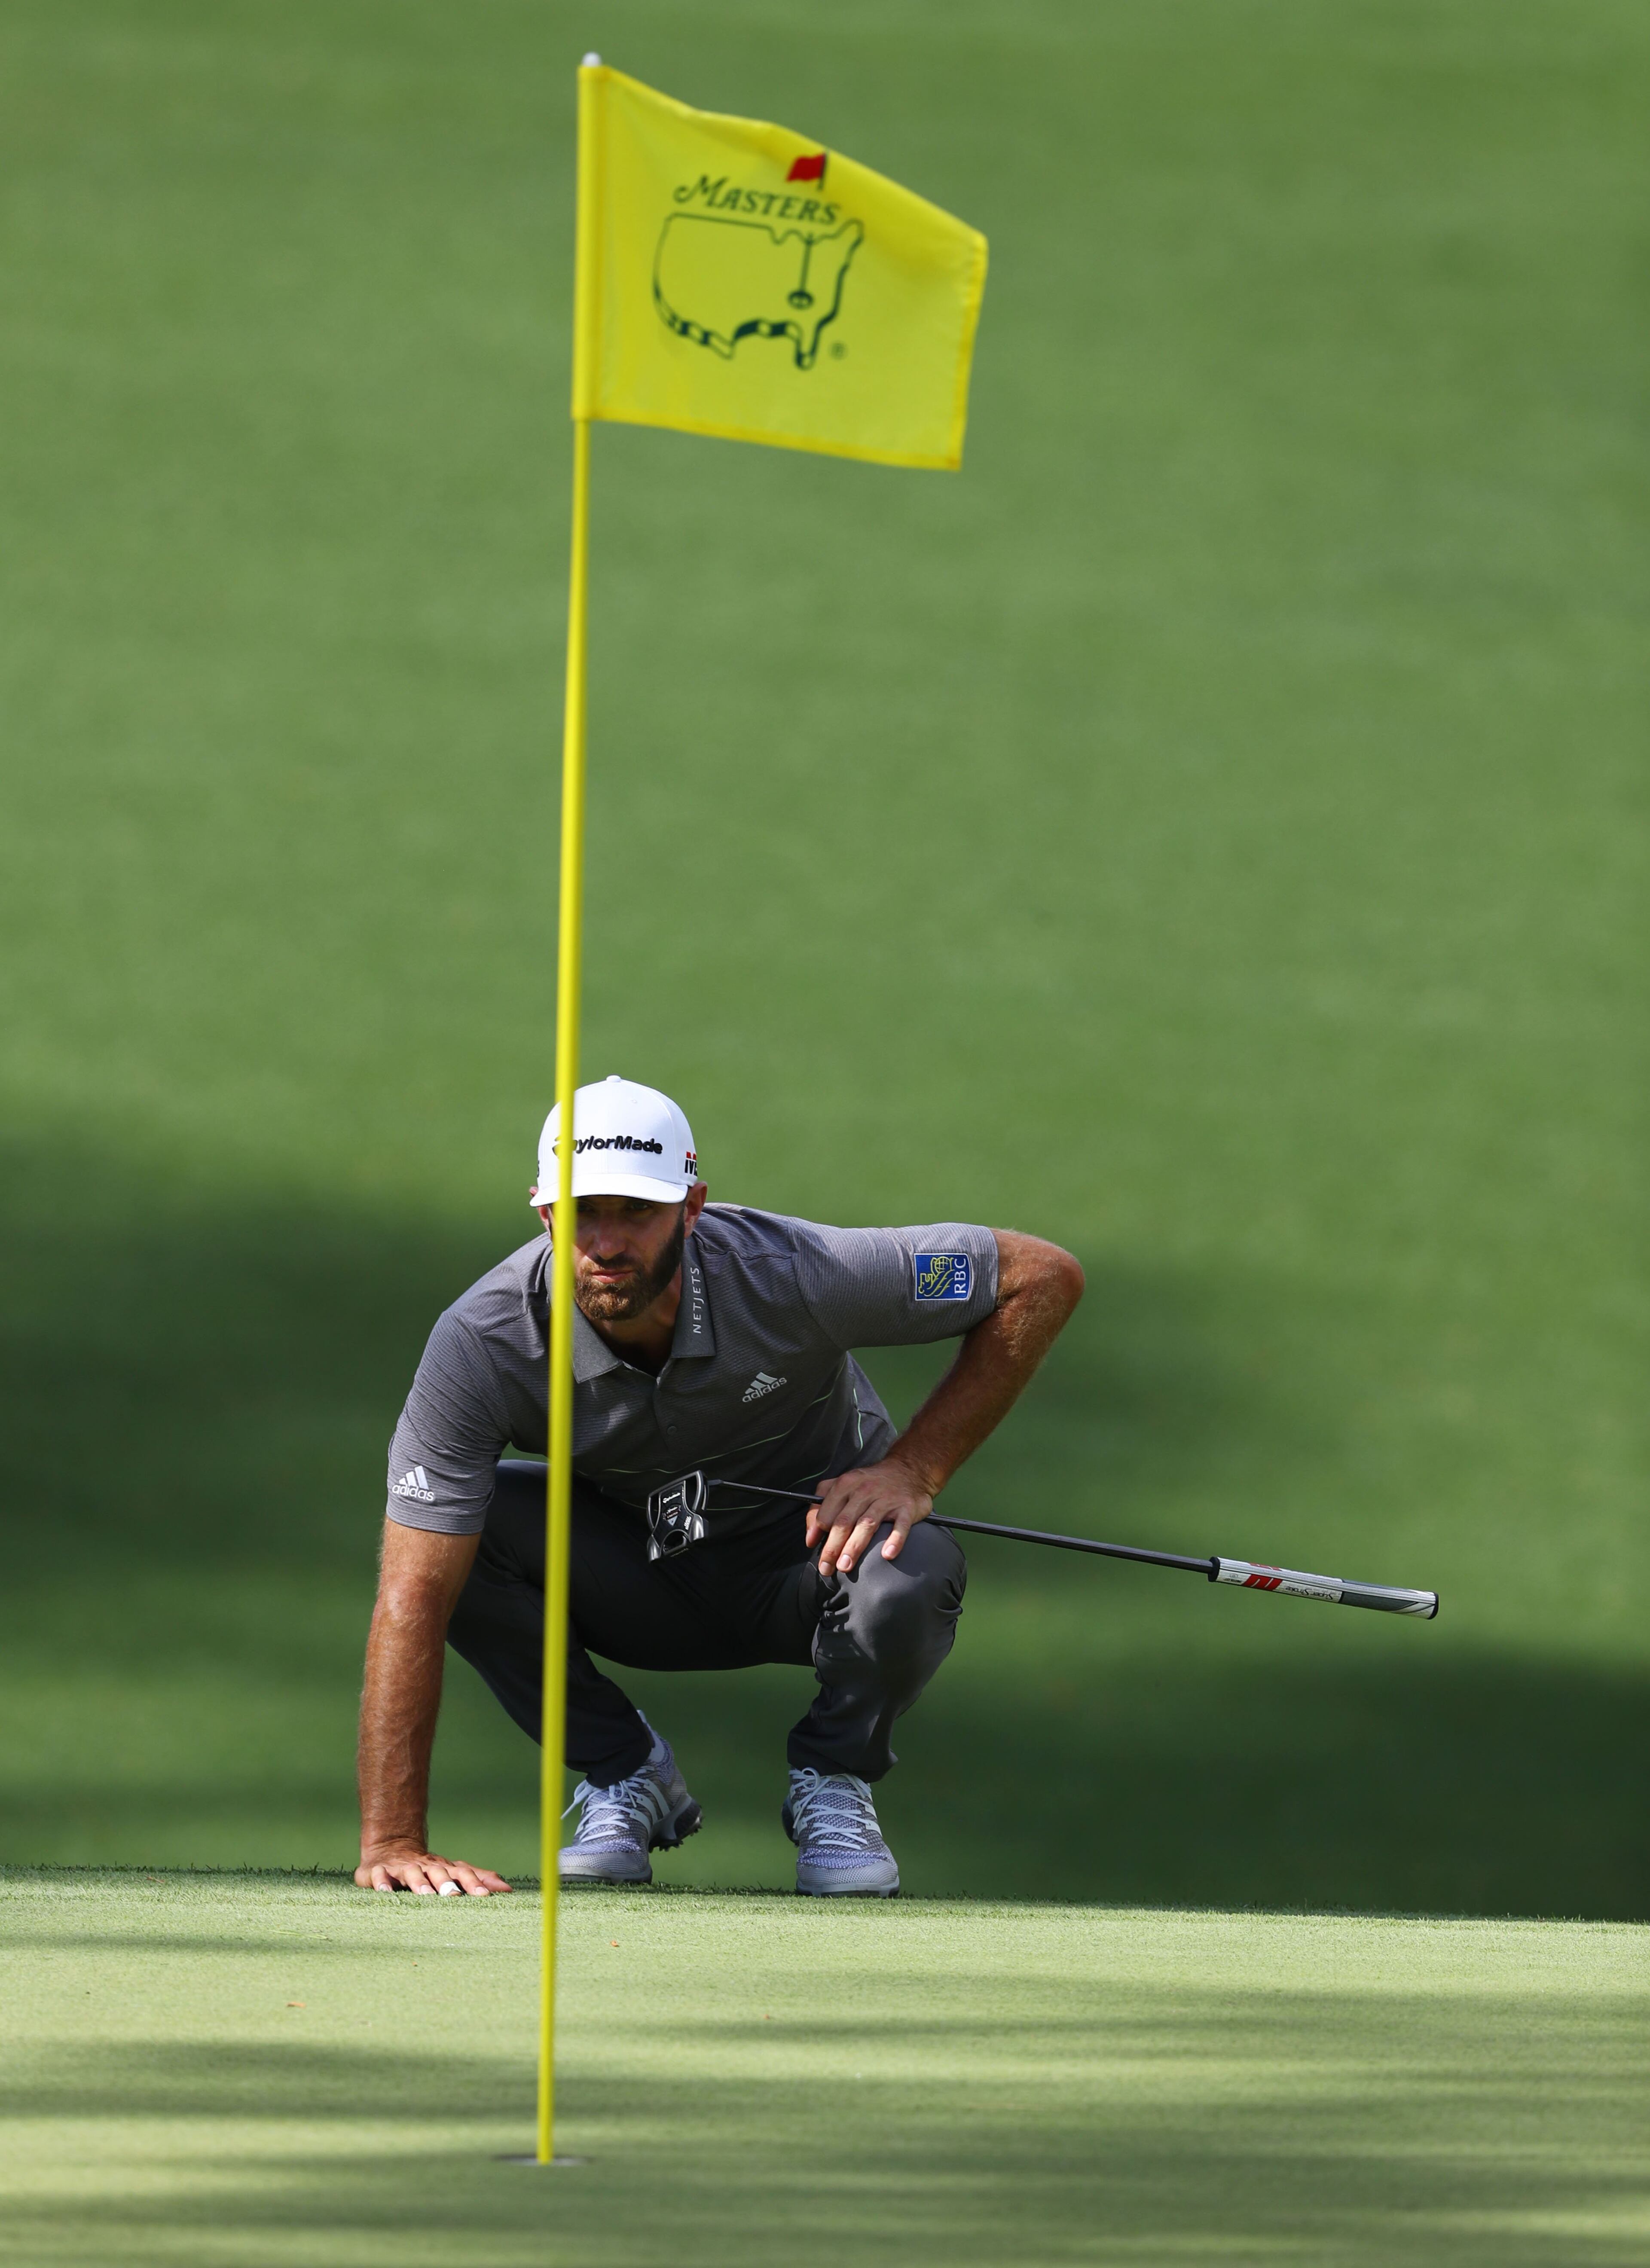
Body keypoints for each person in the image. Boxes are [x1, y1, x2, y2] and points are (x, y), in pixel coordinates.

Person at [355, 1076, 1083, 1900]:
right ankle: (624, 1771)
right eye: (584, 1211)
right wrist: (393, 1840)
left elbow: (1039, 1277)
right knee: (453, 1538)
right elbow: (411, 1596)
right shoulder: (483, 1341)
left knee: (914, 1564)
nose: (607, 1242)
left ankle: (834, 1780)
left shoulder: (798, 1274)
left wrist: (914, 1469)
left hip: (815, 1566)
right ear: (545, 1213)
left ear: (692, 1208)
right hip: (643, 1578)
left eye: (638, 1212)